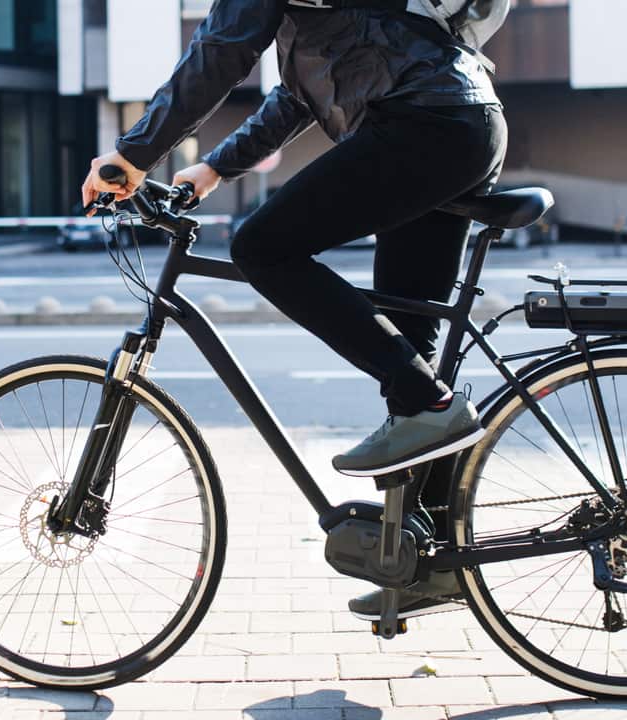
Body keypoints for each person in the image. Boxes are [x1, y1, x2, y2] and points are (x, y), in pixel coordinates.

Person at [81, 0, 508, 620]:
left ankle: (429, 406)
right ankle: (435, 562)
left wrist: (134, 153)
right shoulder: (321, 18)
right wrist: (207, 170)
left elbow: (221, 50)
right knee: (405, 353)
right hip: (457, 120)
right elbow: (300, 93)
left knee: (261, 247)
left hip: (424, 121)